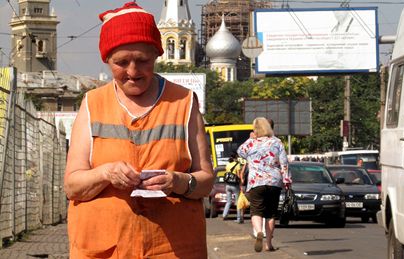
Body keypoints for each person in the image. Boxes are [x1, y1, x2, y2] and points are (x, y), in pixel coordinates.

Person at [63, 2, 214, 258]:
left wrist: (178, 181)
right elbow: (72, 186)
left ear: (156, 55)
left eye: (142, 61)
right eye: (121, 62)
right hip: (105, 250)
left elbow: (205, 181)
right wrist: (106, 173)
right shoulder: (92, 104)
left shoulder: (184, 103)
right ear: (107, 59)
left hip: (171, 249)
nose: (132, 72)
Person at [237, 117, 291, 253]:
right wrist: (287, 181)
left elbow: (240, 152)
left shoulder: (251, 143)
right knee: (271, 213)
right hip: (274, 182)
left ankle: (259, 232)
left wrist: (251, 138)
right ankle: (268, 244)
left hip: (256, 182)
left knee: (256, 211)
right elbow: (284, 163)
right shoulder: (277, 142)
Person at [222, 153, 243, 223]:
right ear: (236, 157)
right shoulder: (238, 165)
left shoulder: (227, 164)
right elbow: (239, 175)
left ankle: (224, 215)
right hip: (235, 185)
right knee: (237, 202)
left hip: (227, 185)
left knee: (228, 201)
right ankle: (239, 218)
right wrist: (241, 183)